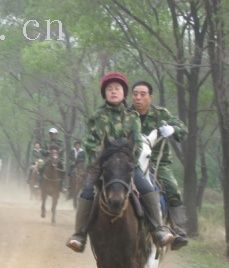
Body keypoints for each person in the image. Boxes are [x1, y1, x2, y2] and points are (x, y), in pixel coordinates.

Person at [66, 71, 174, 252]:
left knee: (147, 188)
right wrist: (103, 157)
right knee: (86, 191)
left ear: (123, 93)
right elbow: (90, 143)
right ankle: (80, 234)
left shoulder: (132, 117)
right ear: (105, 93)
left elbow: (138, 144)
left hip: (126, 165)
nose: (113, 91)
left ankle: (158, 229)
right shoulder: (96, 116)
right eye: (109, 89)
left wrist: (125, 155)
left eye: (117, 88)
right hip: (102, 165)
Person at [131, 80, 188, 249]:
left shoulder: (161, 114)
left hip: (158, 162)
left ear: (150, 97)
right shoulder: (125, 115)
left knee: (172, 187)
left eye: (143, 94)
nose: (138, 98)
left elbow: (182, 129)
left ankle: (177, 228)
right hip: (131, 162)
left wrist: (172, 129)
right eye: (135, 94)